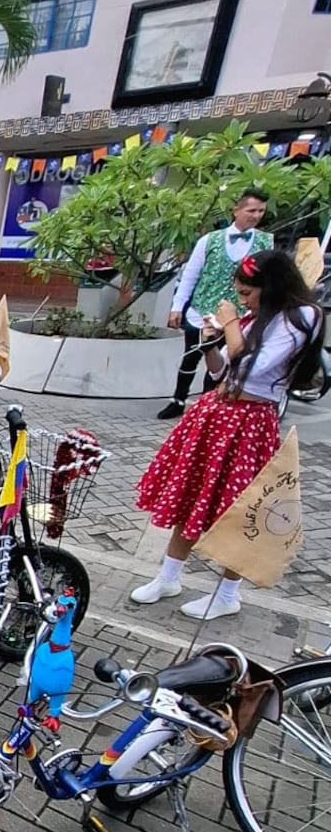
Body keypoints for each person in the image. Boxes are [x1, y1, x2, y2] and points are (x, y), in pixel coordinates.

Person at [130, 249, 322, 621]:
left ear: (270, 287)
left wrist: (231, 324)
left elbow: (254, 366)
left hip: (250, 425)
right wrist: (208, 345)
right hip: (216, 416)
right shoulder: (255, 320)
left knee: (238, 507)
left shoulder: (302, 318)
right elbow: (223, 372)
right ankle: (168, 577)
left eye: (248, 294)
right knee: (191, 496)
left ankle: (227, 594)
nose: (242, 301)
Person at [158, 189, 272, 419]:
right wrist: (177, 306)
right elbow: (191, 274)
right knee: (190, 356)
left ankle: (208, 405)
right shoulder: (209, 240)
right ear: (236, 210)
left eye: (261, 211)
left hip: (239, 316)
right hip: (202, 310)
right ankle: (178, 400)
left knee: (222, 362)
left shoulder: (265, 241)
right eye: (251, 210)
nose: (256, 215)